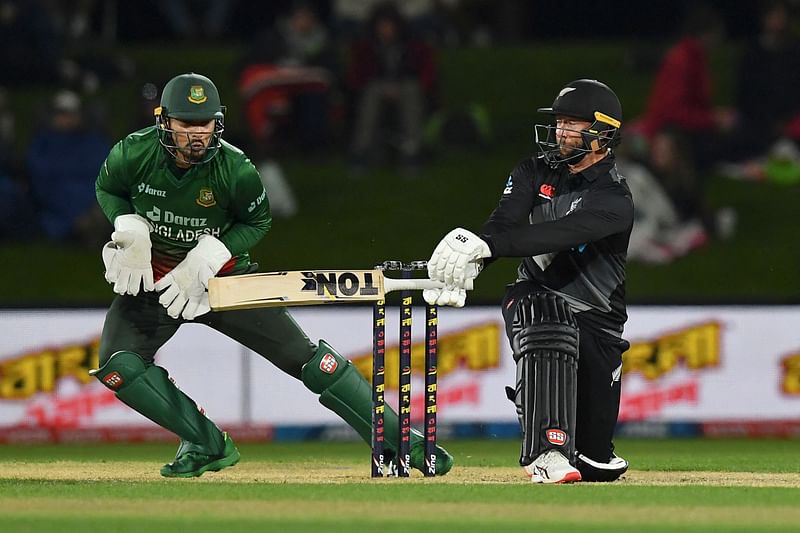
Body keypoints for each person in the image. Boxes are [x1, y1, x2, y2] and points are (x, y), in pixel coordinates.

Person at [92, 72, 453, 478]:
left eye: (206, 123)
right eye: (187, 124)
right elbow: (108, 188)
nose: (197, 134)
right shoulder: (133, 153)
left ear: (218, 122)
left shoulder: (236, 169)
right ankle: (206, 445)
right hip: (156, 283)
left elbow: (257, 220)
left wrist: (215, 251)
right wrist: (129, 225)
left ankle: (404, 442)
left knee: (309, 362)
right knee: (119, 365)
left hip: (223, 282)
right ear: (165, 122)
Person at [424, 79, 632, 484]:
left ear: (601, 133)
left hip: (598, 323)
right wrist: (468, 266)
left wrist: (485, 246)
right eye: (559, 122)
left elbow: (557, 234)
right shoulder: (531, 171)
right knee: (544, 310)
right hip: (534, 295)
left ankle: (575, 445)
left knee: (594, 463)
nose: (560, 131)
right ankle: (546, 453)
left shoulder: (614, 200)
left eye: (572, 123)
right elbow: (504, 224)